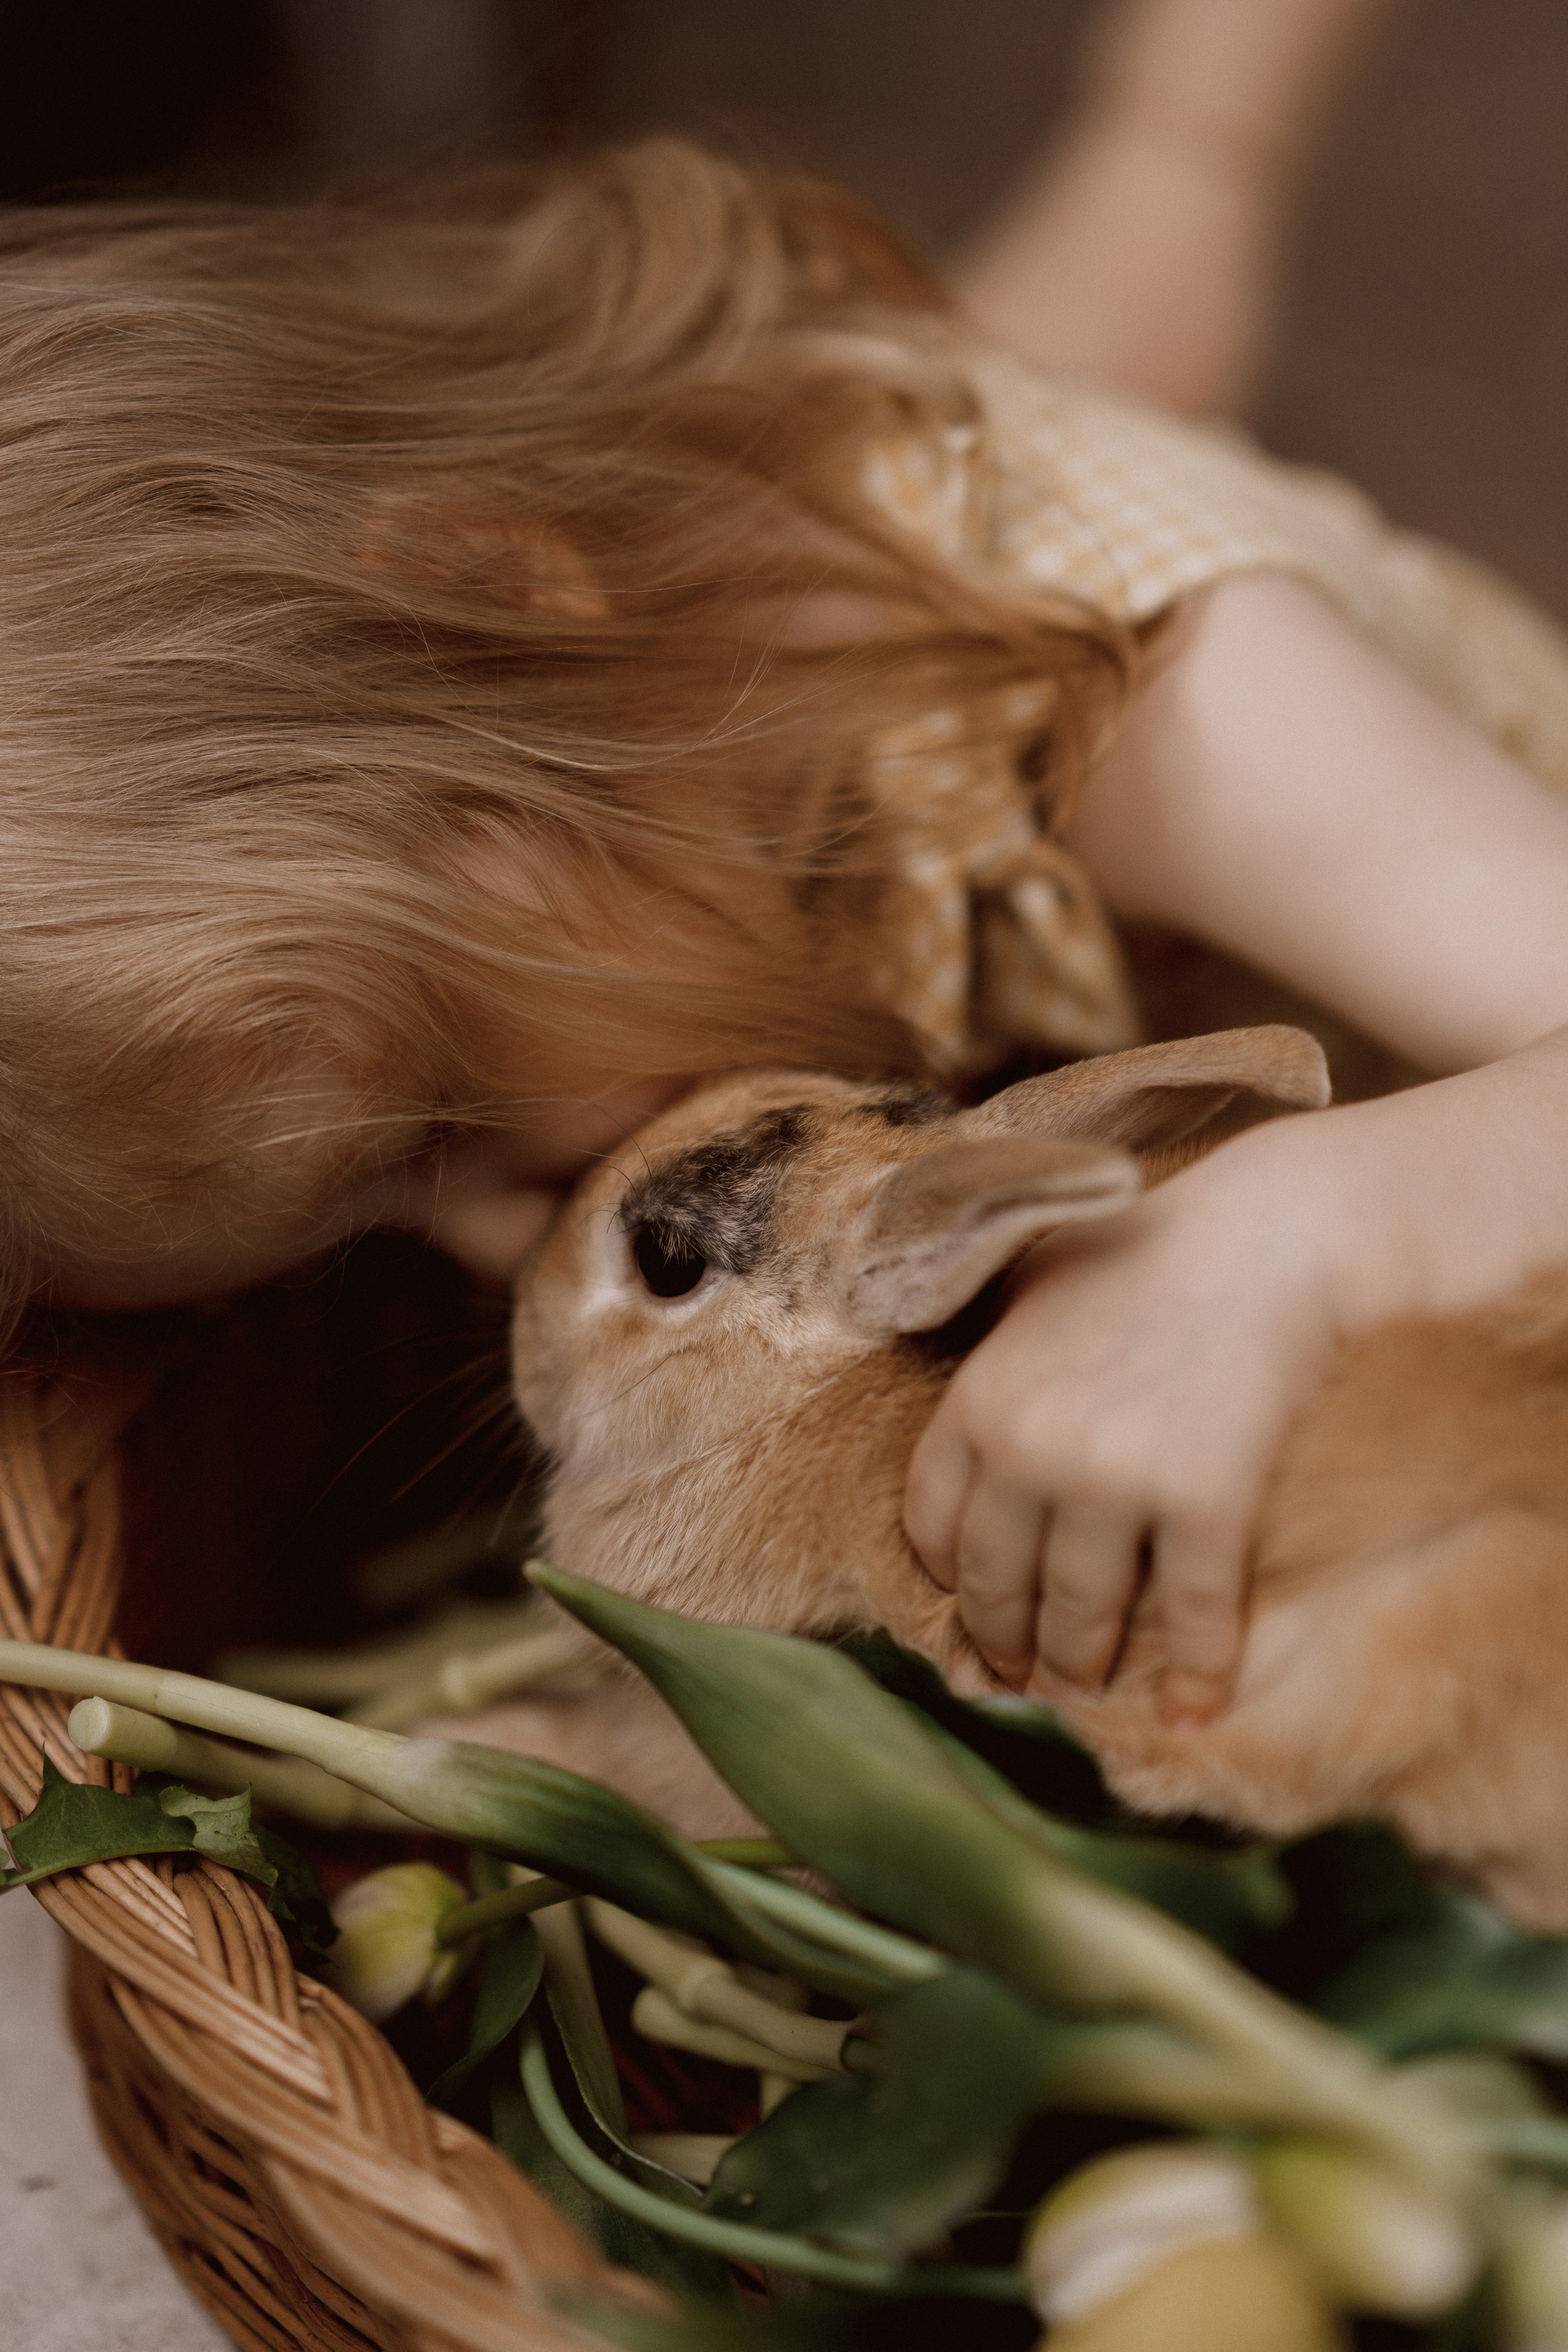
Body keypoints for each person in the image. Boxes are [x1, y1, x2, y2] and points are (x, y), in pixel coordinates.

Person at [9, 0, 1568, 1734]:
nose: (482, 1245)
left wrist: (1292, 1239)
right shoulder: (726, 645)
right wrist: (1178, 158)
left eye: (435, 1130)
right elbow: (1108, 310)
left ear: (519, 616)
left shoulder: (1169, 714)